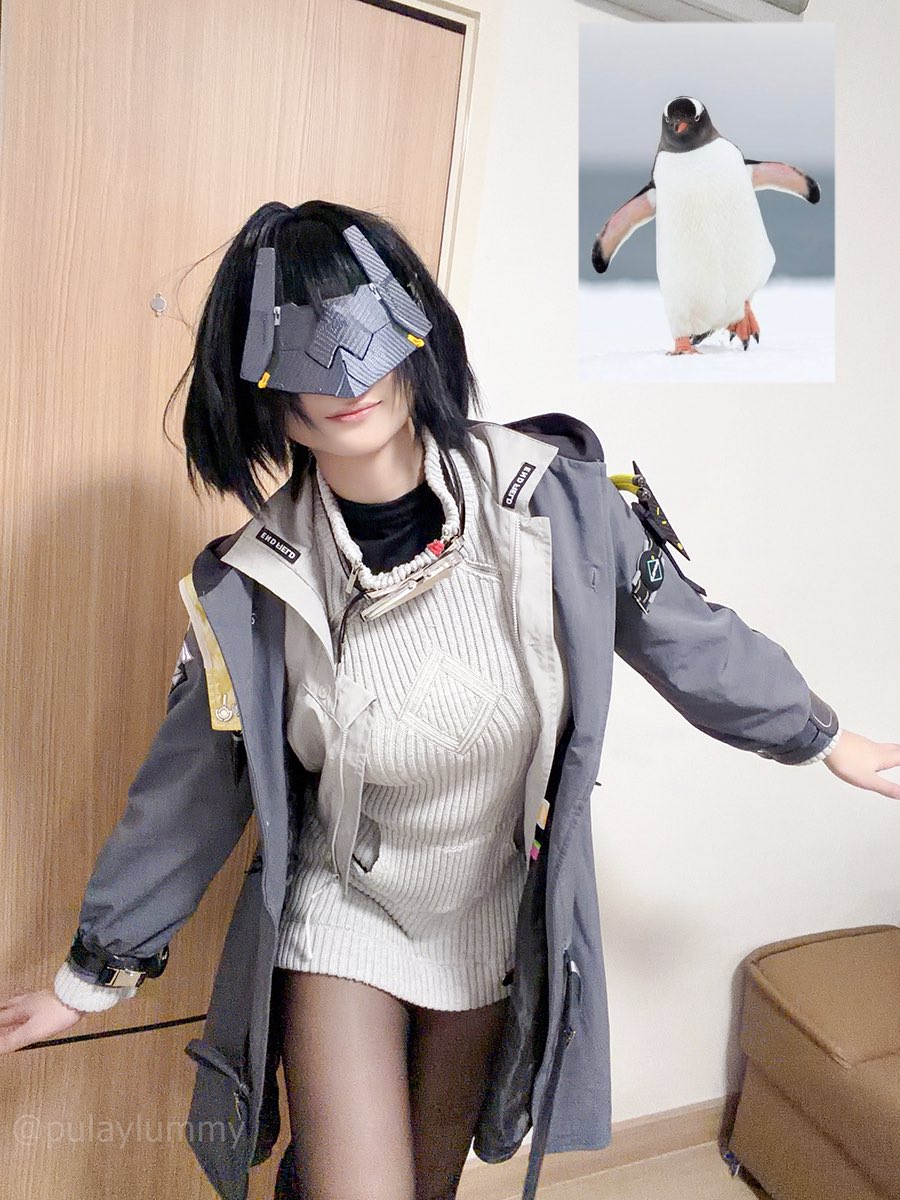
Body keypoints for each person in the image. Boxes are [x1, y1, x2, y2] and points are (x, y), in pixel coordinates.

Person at [1, 199, 897, 1200]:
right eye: (298, 347)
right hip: (347, 910)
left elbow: (685, 632)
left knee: (426, 1185)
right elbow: (190, 791)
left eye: (362, 326)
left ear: (414, 326)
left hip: (488, 912)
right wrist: (91, 976)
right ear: (254, 383)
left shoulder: (558, 502)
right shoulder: (252, 592)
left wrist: (823, 736)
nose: (344, 375)